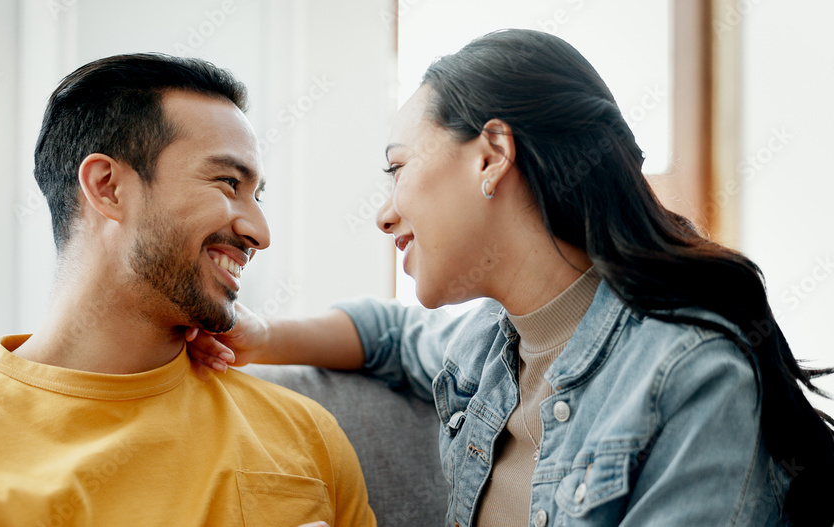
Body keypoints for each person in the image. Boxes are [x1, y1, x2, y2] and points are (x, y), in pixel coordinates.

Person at [189, 30, 834, 526]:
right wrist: (259, 333)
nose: (384, 215)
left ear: (492, 157)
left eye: (398, 167)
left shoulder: (689, 376)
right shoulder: (489, 348)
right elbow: (388, 334)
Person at [0, 53, 375, 527]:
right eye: (228, 184)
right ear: (107, 187)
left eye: (258, 195)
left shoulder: (305, 435)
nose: (260, 232)